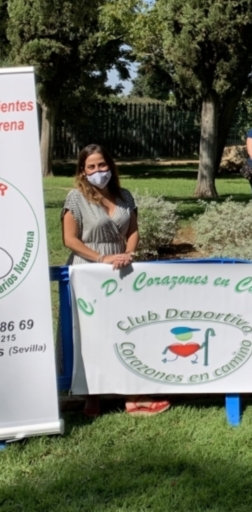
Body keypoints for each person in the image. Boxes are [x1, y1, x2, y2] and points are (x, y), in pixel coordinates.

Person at [61, 144, 169, 417]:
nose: (98, 171)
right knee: (89, 332)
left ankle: (133, 395)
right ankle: (91, 398)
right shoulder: (76, 198)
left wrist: (128, 253)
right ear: (83, 171)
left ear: (111, 166)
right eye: (92, 167)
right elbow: (70, 239)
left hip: (122, 269)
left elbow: (132, 231)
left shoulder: (125, 196)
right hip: (89, 269)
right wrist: (101, 258)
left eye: (102, 165)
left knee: (124, 329)